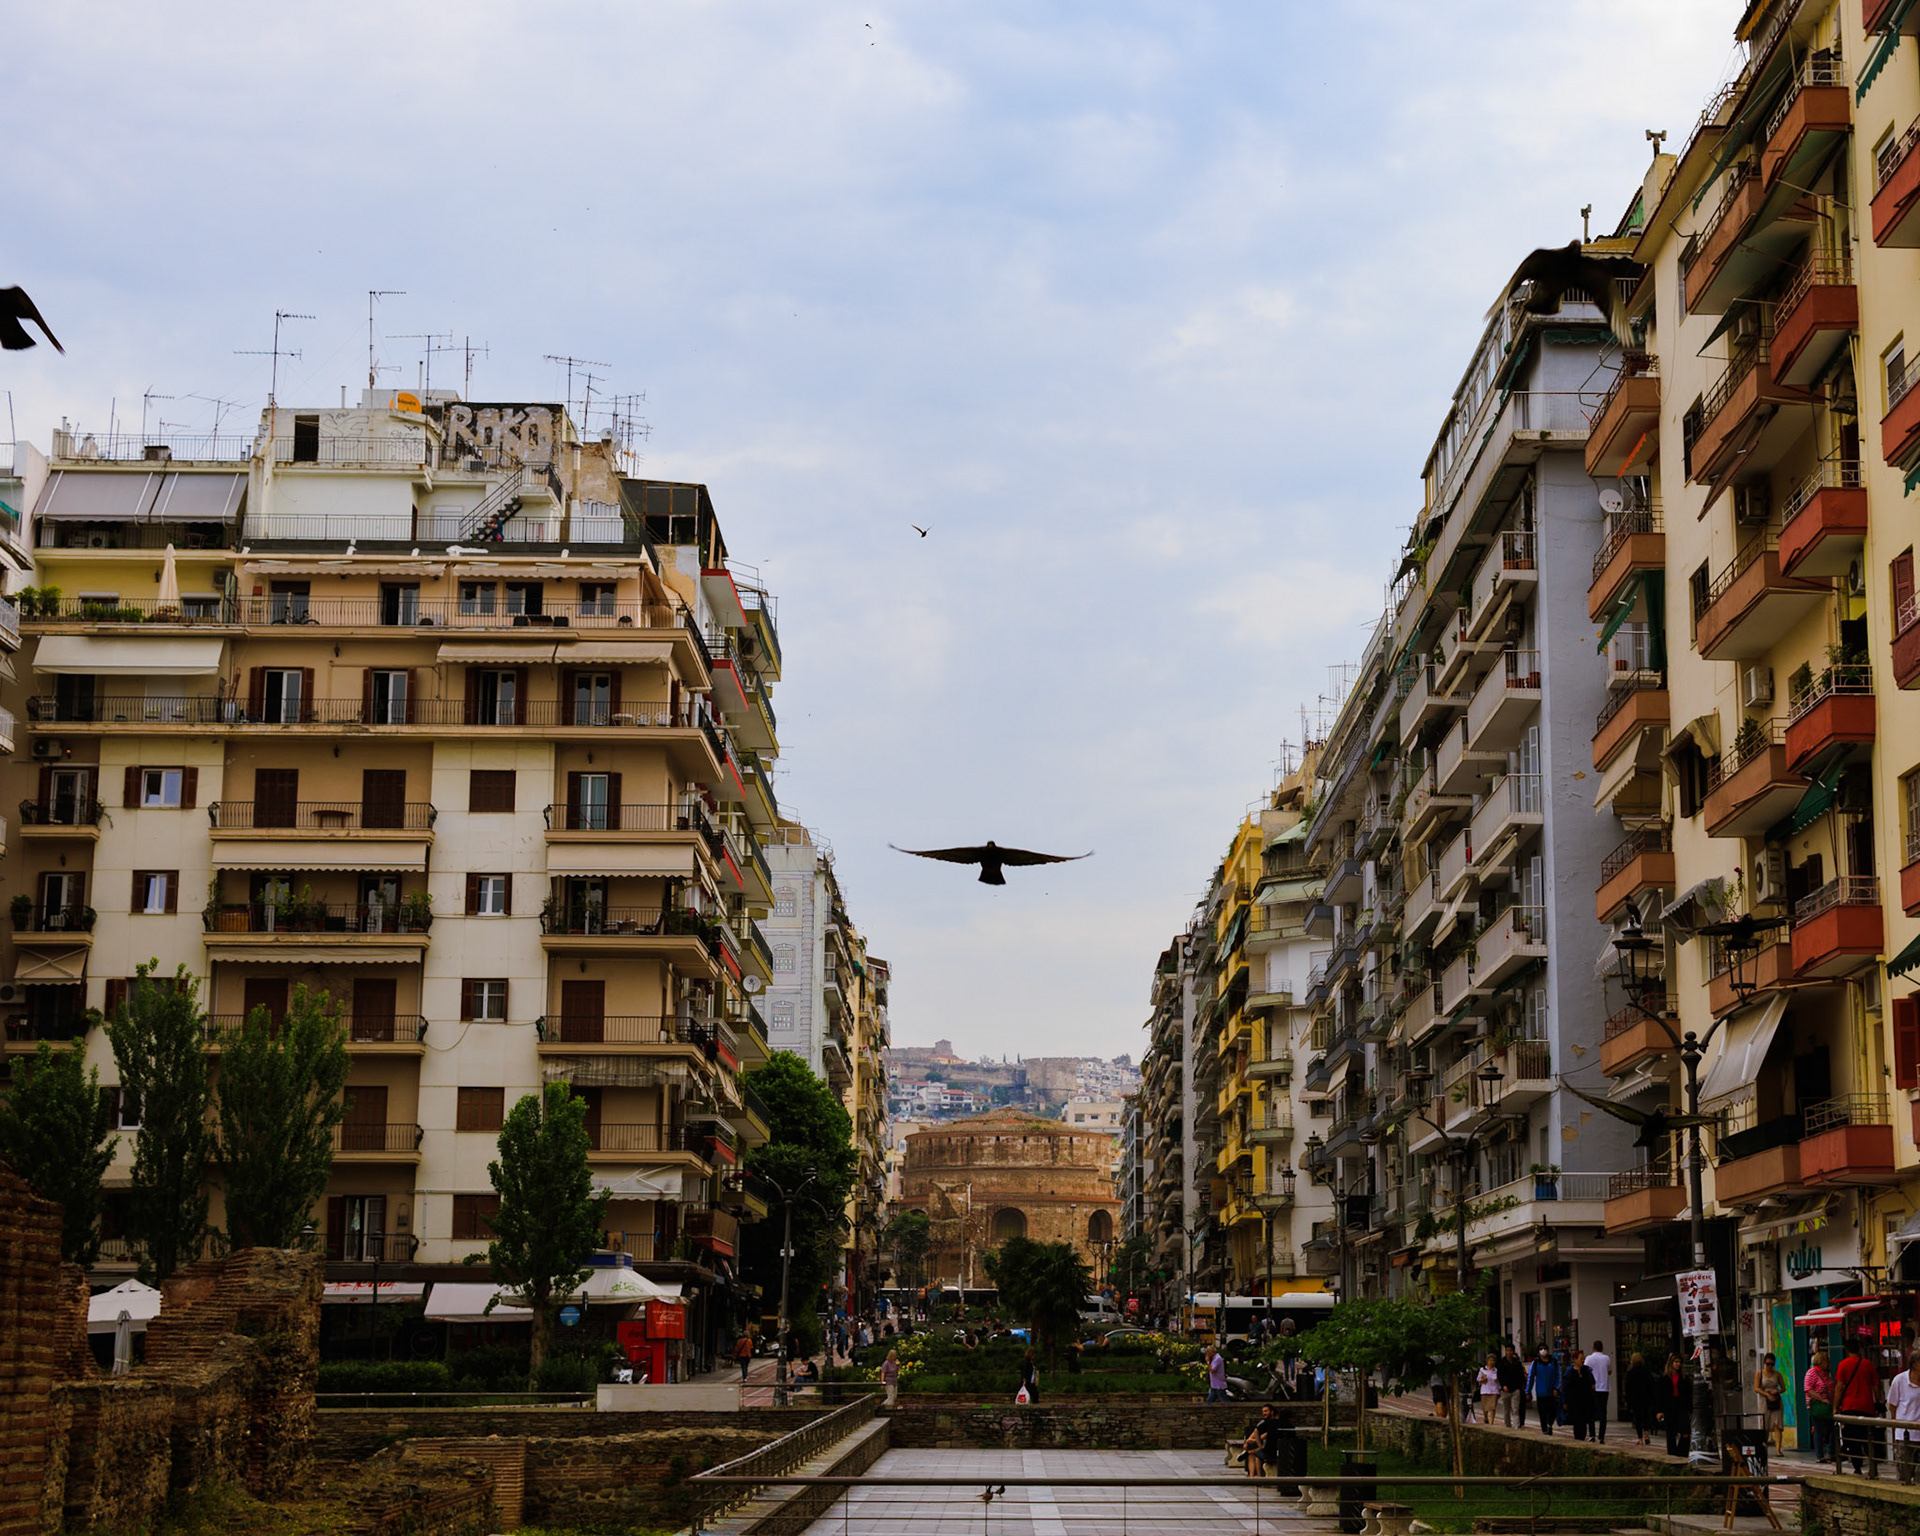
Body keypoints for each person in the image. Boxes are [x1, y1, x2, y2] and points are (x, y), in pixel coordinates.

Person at [1837, 1336, 1884, 1475]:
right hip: (1867, 1406)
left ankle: (1857, 1467)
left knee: (1852, 1438)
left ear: (1846, 1350)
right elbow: (1876, 1385)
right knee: (1867, 1437)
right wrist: (1877, 1402)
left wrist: (1835, 1405)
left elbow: (1840, 1387)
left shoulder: (1843, 1365)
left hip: (1849, 1407)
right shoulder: (1868, 1364)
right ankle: (1872, 1466)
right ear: (1859, 1349)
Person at [1891, 1351, 1920, 1484]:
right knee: (1904, 1473)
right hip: (1905, 1434)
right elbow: (1892, 1405)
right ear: (1915, 1364)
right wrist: (1897, 1425)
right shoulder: (1900, 1380)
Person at [1805, 1348, 1836, 1465]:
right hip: (1818, 1406)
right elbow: (1808, 1389)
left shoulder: (1826, 1374)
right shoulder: (1811, 1373)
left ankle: (1831, 1452)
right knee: (1819, 1430)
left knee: (1833, 1429)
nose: (1828, 1363)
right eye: (1826, 1361)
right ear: (1821, 1361)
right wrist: (1821, 1399)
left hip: (1828, 1406)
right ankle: (1819, 1455)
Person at [1754, 1353, 1787, 1452]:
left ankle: (1778, 1449)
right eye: (1768, 1364)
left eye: (1772, 1364)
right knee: (1765, 1424)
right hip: (1764, 1400)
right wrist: (1766, 1394)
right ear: (1764, 1363)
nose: (1770, 1366)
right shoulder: (1759, 1374)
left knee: (1777, 1424)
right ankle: (1764, 1446)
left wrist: (1777, 1391)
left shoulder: (1778, 1374)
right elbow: (1756, 1388)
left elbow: (1783, 1388)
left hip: (1775, 1400)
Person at [1623, 1352, 1657, 1446]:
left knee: (1637, 1418)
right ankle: (1647, 1434)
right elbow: (1651, 1385)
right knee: (1646, 1417)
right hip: (1646, 1397)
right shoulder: (1646, 1372)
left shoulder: (1630, 1373)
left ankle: (1640, 1438)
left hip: (1635, 1399)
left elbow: (1627, 1387)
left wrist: (1626, 1399)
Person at [1526, 1347, 1561, 1436]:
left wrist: (1556, 1387)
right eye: (1541, 1349)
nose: (1543, 1351)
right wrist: (1528, 1391)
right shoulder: (1536, 1363)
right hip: (1541, 1393)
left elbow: (1558, 1375)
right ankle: (1544, 1429)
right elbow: (1531, 1377)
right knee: (1542, 1412)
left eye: (1545, 1349)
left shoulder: (1554, 1362)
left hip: (1552, 1392)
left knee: (1552, 1411)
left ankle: (1550, 1424)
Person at [1585, 1341, 1612, 1443]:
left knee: (1591, 1411)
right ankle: (1601, 1436)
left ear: (1593, 1348)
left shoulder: (1589, 1358)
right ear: (1602, 1348)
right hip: (1604, 1388)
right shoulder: (1606, 1358)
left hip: (1593, 1388)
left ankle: (1592, 1435)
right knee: (1603, 1413)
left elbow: (1586, 1370)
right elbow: (1609, 1371)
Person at [1564, 1354, 1595, 1442]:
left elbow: (1592, 1384)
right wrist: (1566, 1401)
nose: (1583, 1360)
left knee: (1585, 1419)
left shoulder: (1587, 1371)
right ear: (1575, 1359)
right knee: (1577, 1420)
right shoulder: (1570, 1372)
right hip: (1575, 1401)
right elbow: (1566, 1387)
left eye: (1583, 1359)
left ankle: (1586, 1436)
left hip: (1586, 1399)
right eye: (1581, 1359)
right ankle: (1578, 1437)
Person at [1498, 1345, 1527, 1429]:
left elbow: (1521, 1375)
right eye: (1507, 1351)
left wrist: (1520, 1386)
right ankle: (1507, 1426)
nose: (1509, 1353)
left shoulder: (1517, 1363)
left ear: (1513, 1352)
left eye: (1511, 1351)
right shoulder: (1502, 1363)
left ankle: (1516, 1426)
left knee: (1515, 1409)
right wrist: (1503, 1385)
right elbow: (1500, 1376)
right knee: (1506, 1409)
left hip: (1515, 1389)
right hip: (1505, 1389)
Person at [1478, 1352, 1501, 1428]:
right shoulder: (1482, 1370)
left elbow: (1498, 1382)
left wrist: (1500, 1390)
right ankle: (1485, 1418)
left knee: (1492, 1408)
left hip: (1494, 1390)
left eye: (1493, 1360)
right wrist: (1482, 1380)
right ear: (1487, 1361)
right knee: (1485, 1408)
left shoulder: (1496, 1371)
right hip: (1485, 1390)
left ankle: (1491, 1423)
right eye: (1490, 1360)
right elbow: (1478, 1380)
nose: (1492, 1362)